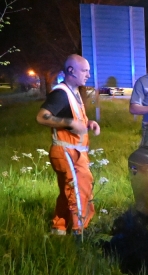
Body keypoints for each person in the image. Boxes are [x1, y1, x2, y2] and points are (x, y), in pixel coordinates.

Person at [35, 54, 100, 235]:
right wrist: (70, 123)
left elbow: (74, 119)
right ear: (71, 70)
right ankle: (79, 234)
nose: (88, 74)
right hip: (66, 151)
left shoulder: (74, 93)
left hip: (74, 151)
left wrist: (88, 124)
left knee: (68, 191)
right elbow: (41, 117)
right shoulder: (60, 93)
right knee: (78, 192)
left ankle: (59, 227)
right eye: (85, 70)